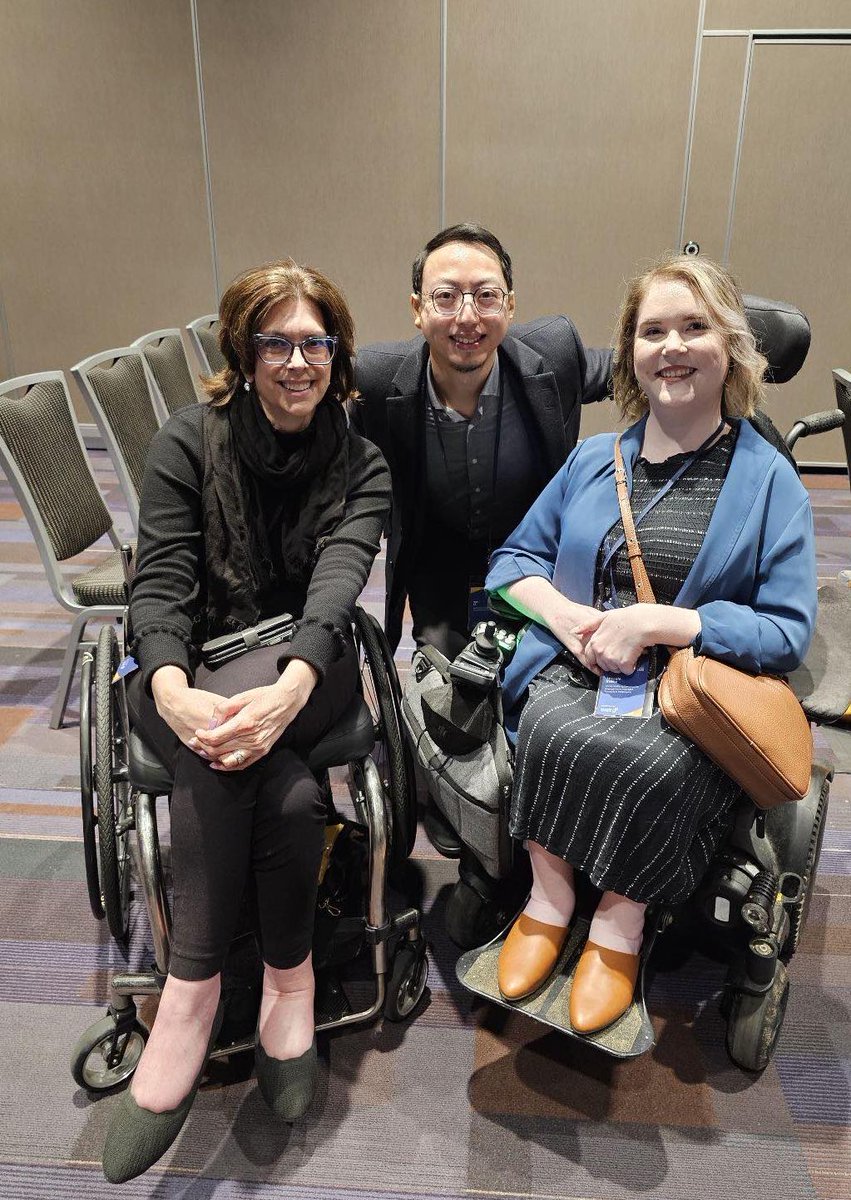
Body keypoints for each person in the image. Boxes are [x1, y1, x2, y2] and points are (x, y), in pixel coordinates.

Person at [101, 261, 391, 1182]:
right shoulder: (185, 444)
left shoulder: (363, 462)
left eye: (315, 342)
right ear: (243, 350)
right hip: (196, 663)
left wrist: (295, 684)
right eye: (277, 342)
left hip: (312, 662)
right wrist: (174, 685)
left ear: (336, 354)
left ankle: (191, 998)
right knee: (294, 799)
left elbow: (338, 586)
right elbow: (159, 585)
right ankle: (274, 982)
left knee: (226, 753)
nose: (297, 361)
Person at [486, 254, 817, 1035]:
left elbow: (786, 629)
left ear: (729, 347)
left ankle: (618, 920)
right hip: (580, 662)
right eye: (652, 330)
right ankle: (549, 894)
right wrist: (569, 620)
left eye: (693, 327)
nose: (671, 346)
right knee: (544, 724)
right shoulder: (591, 460)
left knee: (654, 759)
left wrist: (667, 623)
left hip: (694, 687)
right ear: (631, 352)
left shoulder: (770, 482)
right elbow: (511, 563)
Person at [354, 221, 610, 856]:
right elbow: (298, 401)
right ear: (417, 310)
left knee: (543, 701)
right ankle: (475, 841)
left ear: (510, 305)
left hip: (534, 573)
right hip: (437, 576)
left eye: (485, 295)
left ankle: (544, 843)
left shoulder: (554, 357)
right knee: (448, 705)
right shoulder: (378, 382)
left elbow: (645, 366)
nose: (467, 316)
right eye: (446, 297)